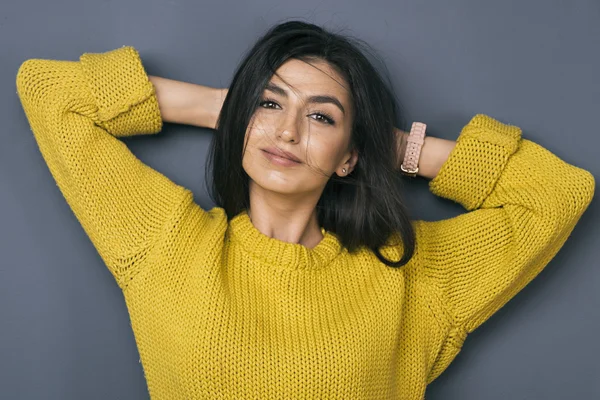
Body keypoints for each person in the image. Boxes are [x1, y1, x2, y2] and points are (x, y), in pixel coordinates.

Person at [15, 20, 594, 400]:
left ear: (348, 155)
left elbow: (556, 191)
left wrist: (386, 147)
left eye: (321, 116)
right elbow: (49, 93)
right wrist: (233, 109)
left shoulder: (407, 276)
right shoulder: (167, 245)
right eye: (271, 102)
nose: (287, 131)